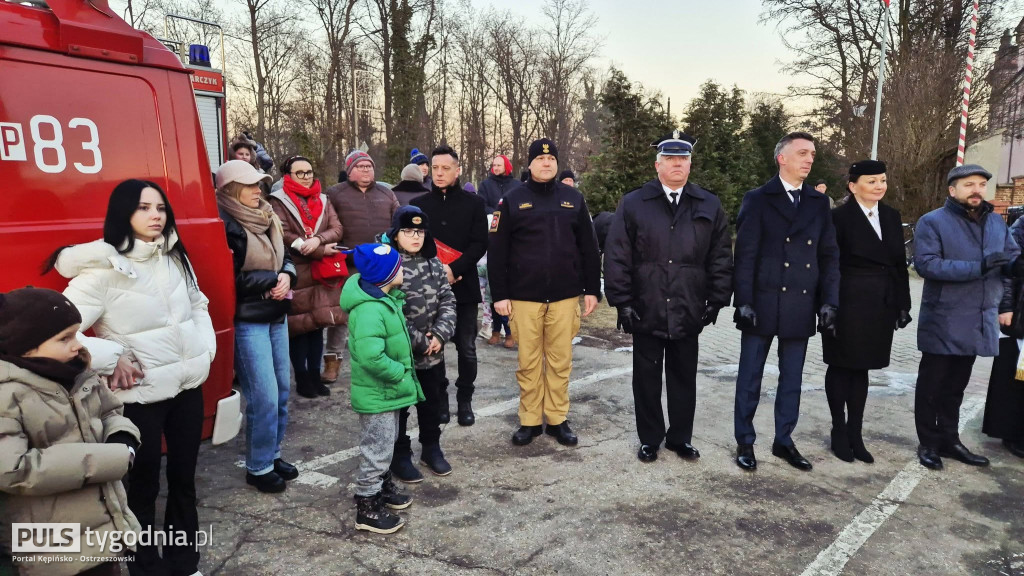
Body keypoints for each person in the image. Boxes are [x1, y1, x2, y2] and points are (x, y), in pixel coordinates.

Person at [50, 179, 216, 575]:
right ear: (124, 213)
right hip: (138, 399)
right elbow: (57, 332)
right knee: (141, 487)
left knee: (183, 480)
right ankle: (145, 568)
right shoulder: (103, 272)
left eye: (160, 207)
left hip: (187, 386)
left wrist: (204, 351)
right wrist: (111, 356)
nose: (155, 215)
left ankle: (183, 561)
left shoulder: (175, 256)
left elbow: (199, 304)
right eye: (144, 208)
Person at [604, 132, 733, 463]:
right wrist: (622, 301)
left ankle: (680, 438)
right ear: (658, 164)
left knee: (683, 377)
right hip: (646, 305)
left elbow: (720, 255)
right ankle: (650, 438)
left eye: (684, 159)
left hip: (688, 305)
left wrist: (717, 298)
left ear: (690, 163)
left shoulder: (708, 203)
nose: (678, 164)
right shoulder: (634, 203)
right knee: (646, 378)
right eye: (671, 159)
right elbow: (617, 254)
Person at [0, 287, 141, 576]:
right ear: (26, 346)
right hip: (53, 547)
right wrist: (109, 460)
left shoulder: (77, 374)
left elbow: (110, 411)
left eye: (77, 334)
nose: (78, 344)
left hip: (103, 531)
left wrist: (122, 437)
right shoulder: (8, 395)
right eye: (64, 338)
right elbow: (13, 470)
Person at [732, 131, 840, 472]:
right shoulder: (759, 198)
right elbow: (745, 254)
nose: (809, 159)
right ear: (782, 158)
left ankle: (784, 440)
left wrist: (829, 302)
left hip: (801, 303)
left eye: (812, 154)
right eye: (803, 153)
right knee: (750, 377)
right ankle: (745, 441)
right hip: (762, 301)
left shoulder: (818, 203)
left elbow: (828, 256)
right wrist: (743, 300)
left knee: (791, 379)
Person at [488, 138, 602, 447]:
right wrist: (499, 295)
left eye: (551, 159)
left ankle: (557, 419)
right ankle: (529, 421)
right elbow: (497, 252)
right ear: (530, 164)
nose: (546, 163)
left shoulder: (574, 199)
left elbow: (589, 248)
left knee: (560, 361)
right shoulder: (512, 200)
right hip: (524, 298)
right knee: (528, 362)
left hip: (565, 297)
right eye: (540, 159)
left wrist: (592, 289)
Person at [913, 164, 1024, 470]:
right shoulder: (932, 221)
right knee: (932, 386)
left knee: (956, 386)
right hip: (944, 317)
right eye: (968, 185)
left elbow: (1010, 257)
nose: (976, 190)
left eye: (981, 185)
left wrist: (1015, 268)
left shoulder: (995, 223)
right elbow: (927, 265)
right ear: (953, 190)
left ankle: (949, 439)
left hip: (978, 319)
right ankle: (928, 443)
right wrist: (978, 267)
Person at [215, 160, 300, 494]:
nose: (258, 191)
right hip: (248, 320)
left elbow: (286, 258)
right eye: (249, 185)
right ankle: (259, 466)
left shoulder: (268, 217)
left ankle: (273, 453)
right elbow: (226, 278)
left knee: (280, 390)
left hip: (276, 313)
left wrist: (287, 275)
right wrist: (271, 278)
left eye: (259, 184)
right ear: (230, 189)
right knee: (263, 395)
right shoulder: (224, 223)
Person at [821, 160, 912, 463]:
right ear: (853, 185)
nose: (879, 186)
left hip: (880, 303)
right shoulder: (837, 218)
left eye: (883, 181)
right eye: (872, 181)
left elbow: (900, 264)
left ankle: (855, 433)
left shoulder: (890, 216)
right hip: (846, 301)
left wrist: (902, 304)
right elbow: (828, 263)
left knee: (862, 368)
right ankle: (838, 431)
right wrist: (827, 304)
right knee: (841, 365)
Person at [340, 243, 424, 535]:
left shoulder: (387, 301)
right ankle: (367, 506)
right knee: (376, 449)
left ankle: (382, 490)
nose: (403, 269)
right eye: (399, 266)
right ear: (386, 274)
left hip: (388, 393)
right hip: (380, 394)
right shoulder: (369, 310)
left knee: (385, 445)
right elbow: (370, 356)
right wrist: (400, 372)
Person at [411, 145, 488, 426]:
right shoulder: (420, 204)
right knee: (435, 346)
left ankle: (464, 399)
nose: (440, 173)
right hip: (429, 290)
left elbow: (480, 242)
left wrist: (454, 269)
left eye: (446, 168)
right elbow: (416, 244)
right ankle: (440, 399)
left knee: (466, 347)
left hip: (464, 287)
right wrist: (437, 272)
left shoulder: (474, 203)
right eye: (435, 168)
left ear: (457, 170)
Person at [381, 206, 457, 482]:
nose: (415, 237)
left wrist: (439, 335)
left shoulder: (433, 263)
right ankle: (400, 454)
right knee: (400, 407)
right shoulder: (389, 266)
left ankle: (431, 447)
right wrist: (418, 342)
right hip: (402, 356)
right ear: (396, 234)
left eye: (420, 231)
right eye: (408, 231)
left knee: (431, 404)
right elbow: (391, 310)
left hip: (433, 354)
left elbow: (448, 301)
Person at [269, 155, 345, 399]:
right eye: (300, 172)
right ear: (287, 176)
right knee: (299, 326)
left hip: (320, 271)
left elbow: (337, 228)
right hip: (296, 268)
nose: (306, 176)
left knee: (317, 325)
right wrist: (318, 248)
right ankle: (302, 378)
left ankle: (314, 374)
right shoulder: (277, 201)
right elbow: (283, 232)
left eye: (309, 171)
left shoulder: (323, 199)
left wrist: (318, 240)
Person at [323, 150, 401, 384]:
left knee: (383, 312)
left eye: (370, 166)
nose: (367, 169)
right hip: (348, 264)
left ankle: (384, 357)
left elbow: (397, 225)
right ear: (350, 170)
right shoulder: (335, 194)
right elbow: (328, 224)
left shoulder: (387, 194)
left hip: (381, 266)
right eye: (361, 166)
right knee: (341, 314)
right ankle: (332, 361)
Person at [983, 214, 1024, 459]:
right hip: (1020, 312)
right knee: (1016, 376)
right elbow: (1009, 269)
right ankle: (1013, 432)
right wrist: (1005, 306)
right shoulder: (1021, 227)